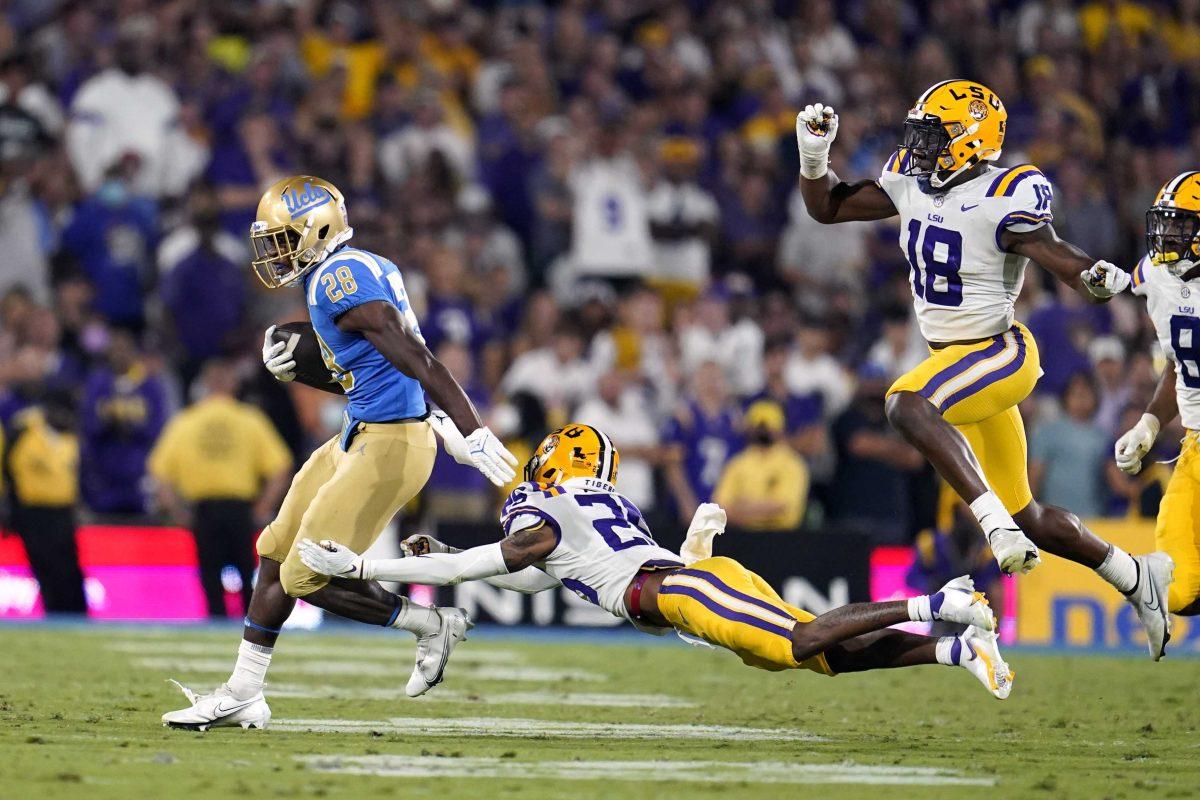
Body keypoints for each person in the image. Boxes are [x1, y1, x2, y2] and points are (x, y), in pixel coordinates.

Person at [794, 80, 1171, 659]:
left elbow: (1050, 248)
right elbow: (827, 207)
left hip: (999, 353)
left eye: (934, 136)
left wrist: (1095, 277)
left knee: (905, 404)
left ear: (972, 139)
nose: (919, 148)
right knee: (1031, 514)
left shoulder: (1004, 193)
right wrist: (814, 158)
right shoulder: (913, 181)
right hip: (955, 363)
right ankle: (1134, 577)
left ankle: (994, 526)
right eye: (918, 134)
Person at [163, 175, 523, 731]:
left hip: (390, 444)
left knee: (306, 575)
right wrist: (312, 360)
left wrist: (469, 425)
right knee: (275, 553)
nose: (274, 253)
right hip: (364, 431)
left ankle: (429, 623)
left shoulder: (338, 276)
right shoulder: (354, 268)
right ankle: (243, 693)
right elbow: (373, 372)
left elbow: (415, 357)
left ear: (316, 228)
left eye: (282, 238)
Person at [298, 423, 1014, 700]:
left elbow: (478, 572)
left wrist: (368, 570)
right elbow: (517, 569)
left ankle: (938, 603)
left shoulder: (552, 510)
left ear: (552, 462)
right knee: (823, 657)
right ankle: (952, 651)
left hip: (683, 593)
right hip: (688, 586)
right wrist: (450, 552)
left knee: (804, 640)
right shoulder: (587, 509)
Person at [1112, 171, 1200, 623]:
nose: (1167, 235)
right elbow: (1179, 364)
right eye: (1165, 222)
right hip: (1195, 447)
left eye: (1182, 225)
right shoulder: (1156, 277)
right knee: (1178, 590)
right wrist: (1148, 424)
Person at [147, 360, 293, 619]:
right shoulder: (249, 420)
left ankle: (216, 624)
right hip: (239, 510)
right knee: (248, 576)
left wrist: (178, 512)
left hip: (205, 511)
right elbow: (281, 468)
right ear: (233, 384)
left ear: (204, 385)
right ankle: (253, 632)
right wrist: (262, 507)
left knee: (211, 579)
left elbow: (159, 474)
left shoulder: (186, 421)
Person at [4, 391, 86, 614]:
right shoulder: (22, 431)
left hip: (63, 512)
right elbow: (5, 470)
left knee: (69, 568)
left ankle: (78, 614)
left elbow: (78, 475)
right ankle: (55, 613)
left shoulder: (71, 435)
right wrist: (7, 508)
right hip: (32, 511)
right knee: (45, 565)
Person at [713, 401, 808, 532]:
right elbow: (720, 508)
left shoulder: (791, 463)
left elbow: (784, 507)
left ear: (780, 428)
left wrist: (742, 506)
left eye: (768, 425)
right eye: (759, 426)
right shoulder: (737, 463)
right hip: (741, 537)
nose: (763, 430)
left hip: (782, 539)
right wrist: (764, 508)